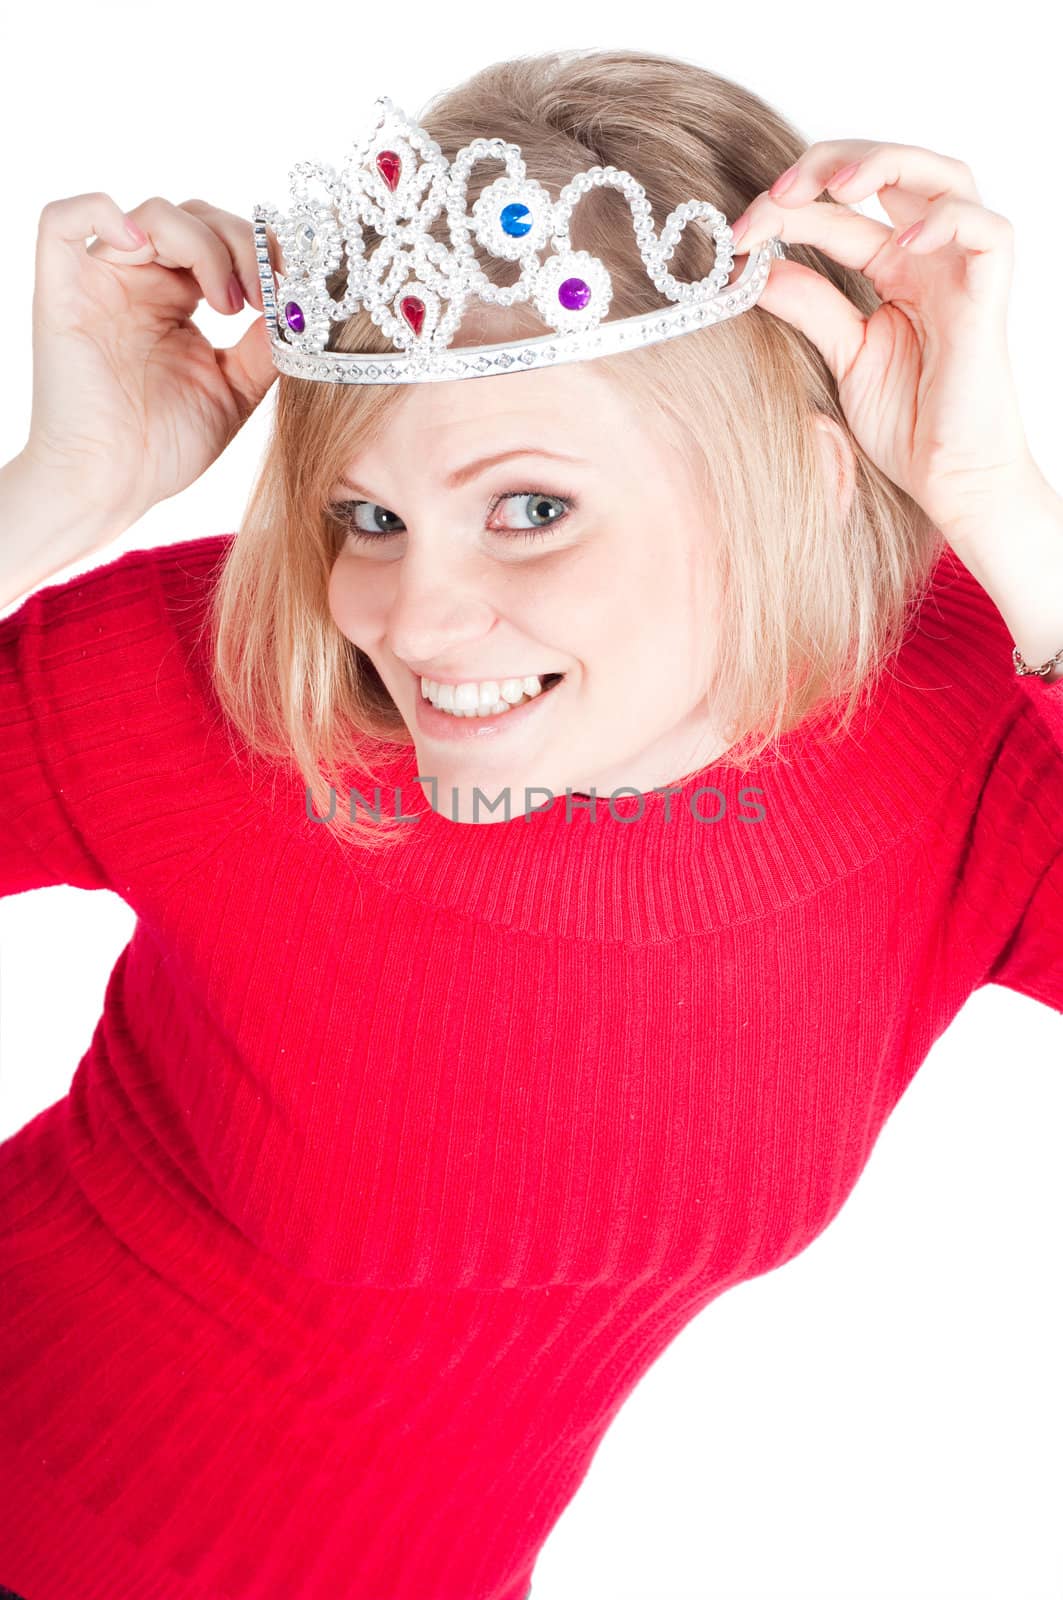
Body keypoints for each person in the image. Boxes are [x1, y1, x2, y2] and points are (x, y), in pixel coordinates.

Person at [1, 44, 1061, 1600]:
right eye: (368, 517)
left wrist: (1003, 504)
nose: (414, 619)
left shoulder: (955, 725)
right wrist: (53, 492)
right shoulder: (223, 669)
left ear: (806, 480)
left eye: (532, 508)